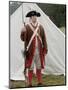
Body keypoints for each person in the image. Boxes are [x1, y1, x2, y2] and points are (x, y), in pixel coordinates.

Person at [20, 11, 48, 87]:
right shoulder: (27, 27)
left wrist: (45, 48)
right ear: (30, 18)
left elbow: (44, 38)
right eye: (32, 17)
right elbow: (23, 39)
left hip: (39, 51)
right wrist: (22, 32)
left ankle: (39, 82)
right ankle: (29, 83)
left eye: (35, 16)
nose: (34, 18)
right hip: (30, 51)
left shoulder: (40, 27)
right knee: (30, 67)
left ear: (36, 17)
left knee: (39, 66)